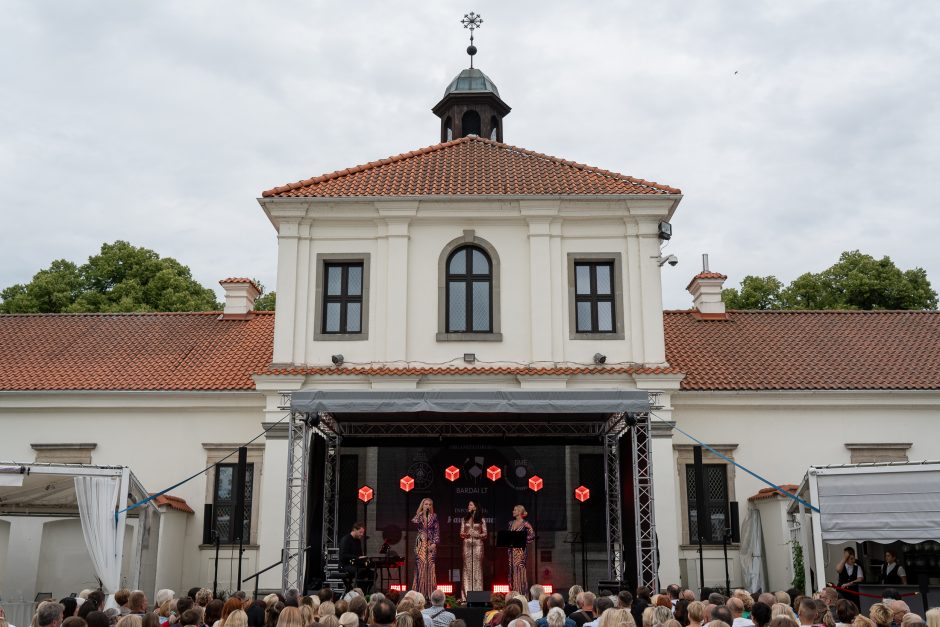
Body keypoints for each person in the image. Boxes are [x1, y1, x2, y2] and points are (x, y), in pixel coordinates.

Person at [412, 498, 440, 598]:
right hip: (420, 544)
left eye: (429, 504)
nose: (427, 506)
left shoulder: (434, 517)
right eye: (425, 504)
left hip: (431, 544)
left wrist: (435, 544)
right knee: (421, 567)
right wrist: (420, 513)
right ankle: (419, 594)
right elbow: (414, 521)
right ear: (422, 505)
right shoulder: (419, 516)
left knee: (430, 568)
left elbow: (437, 531)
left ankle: (430, 595)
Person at [461, 501, 488, 598]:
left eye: (471, 505)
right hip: (467, 545)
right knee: (467, 569)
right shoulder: (464, 519)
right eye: (468, 504)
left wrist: (477, 535)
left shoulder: (481, 520)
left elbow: (485, 534)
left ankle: (477, 596)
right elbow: (461, 533)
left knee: (477, 569)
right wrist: (467, 534)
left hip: (477, 545)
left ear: (476, 507)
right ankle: (466, 596)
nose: (469, 506)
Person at [507, 505, 535, 594]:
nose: (513, 511)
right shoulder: (510, 523)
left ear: (519, 512)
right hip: (511, 551)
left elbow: (532, 536)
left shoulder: (526, 524)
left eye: (515, 510)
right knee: (512, 571)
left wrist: (522, 539)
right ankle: (513, 593)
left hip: (520, 552)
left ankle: (521, 594)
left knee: (519, 570)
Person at [340, 522, 371, 593]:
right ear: (354, 530)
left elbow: (359, 555)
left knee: (373, 574)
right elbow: (343, 555)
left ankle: (364, 592)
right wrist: (358, 557)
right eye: (360, 532)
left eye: (363, 532)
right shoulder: (346, 539)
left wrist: (363, 558)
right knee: (361, 572)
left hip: (355, 565)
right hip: (345, 565)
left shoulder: (358, 541)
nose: (362, 534)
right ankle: (358, 592)